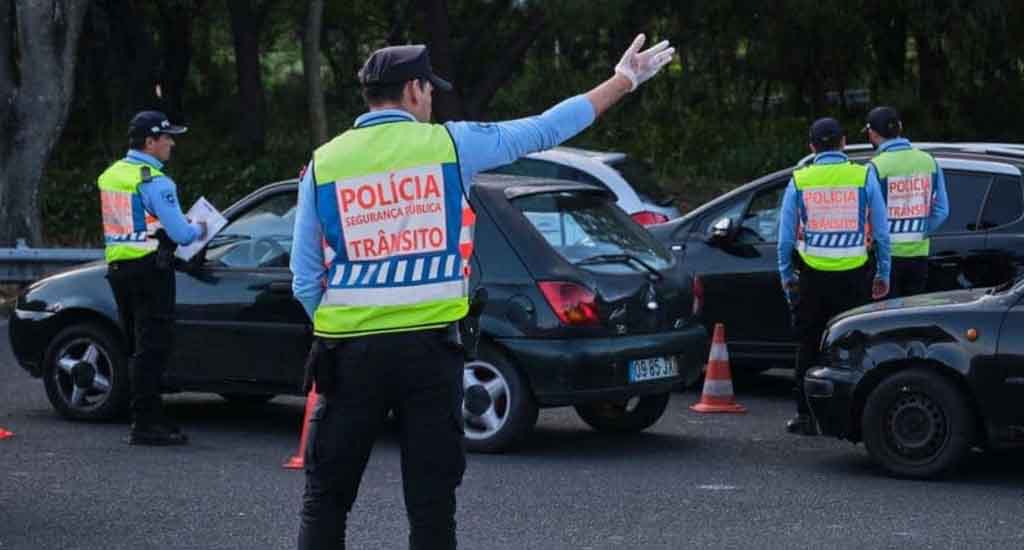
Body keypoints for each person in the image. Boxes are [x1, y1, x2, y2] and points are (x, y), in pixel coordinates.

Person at [291, 35, 674, 549]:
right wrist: (624, 80)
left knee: (327, 500)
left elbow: (303, 278)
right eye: (428, 91)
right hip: (430, 354)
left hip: (350, 356)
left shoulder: (325, 162)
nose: (431, 101)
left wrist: (345, 320)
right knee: (431, 507)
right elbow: (546, 128)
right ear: (413, 91)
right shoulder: (451, 146)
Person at [98, 110, 207, 446]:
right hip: (150, 270)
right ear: (150, 141)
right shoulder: (154, 181)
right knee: (154, 348)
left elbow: (133, 222)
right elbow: (182, 234)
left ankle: (143, 415)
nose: (171, 143)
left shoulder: (112, 174)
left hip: (119, 269)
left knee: (137, 346)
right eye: (167, 138)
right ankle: (146, 423)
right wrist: (201, 227)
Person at [777, 117, 891, 435]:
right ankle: (856, 418)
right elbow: (881, 233)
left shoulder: (799, 180)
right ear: (843, 143)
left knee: (808, 345)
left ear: (812, 147)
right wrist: (883, 272)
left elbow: (785, 240)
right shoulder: (863, 174)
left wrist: (787, 279)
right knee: (856, 345)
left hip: (812, 277)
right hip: (855, 276)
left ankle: (805, 416)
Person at [864, 106, 949, 297]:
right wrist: (920, 231)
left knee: (885, 321)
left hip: (885, 258)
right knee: (911, 319)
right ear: (900, 127)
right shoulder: (929, 161)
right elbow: (943, 211)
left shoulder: (875, 167)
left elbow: (868, 215)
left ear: (872, 133)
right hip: (920, 256)